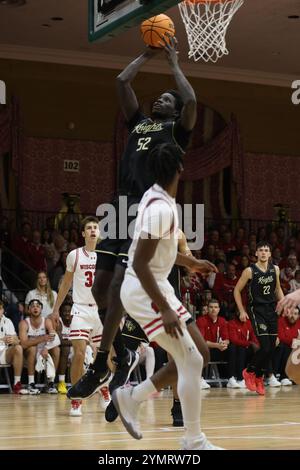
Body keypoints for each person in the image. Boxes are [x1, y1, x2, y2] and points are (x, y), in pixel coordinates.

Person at [68, 35, 197, 400]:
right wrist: (145, 53)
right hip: (119, 205)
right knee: (99, 289)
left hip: (145, 209)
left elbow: (191, 101)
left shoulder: (177, 131)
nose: (161, 99)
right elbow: (121, 82)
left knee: (120, 282)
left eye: (167, 99)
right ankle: (123, 350)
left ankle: (101, 363)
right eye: (160, 97)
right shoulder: (139, 123)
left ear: (174, 111)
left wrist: (173, 64)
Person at [111, 143, 222, 450]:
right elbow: (138, 263)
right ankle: (193, 440)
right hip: (144, 289)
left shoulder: (158, 196)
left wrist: (191, 262)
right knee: (192, 359)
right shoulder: (160, 209)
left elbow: (162, 251)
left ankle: (131, 398)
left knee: (199, 354)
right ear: (180, 170)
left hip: (158, 285)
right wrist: (165, 309)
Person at [51, 216, 106, 416]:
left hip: (101, 310)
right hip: (81, 309)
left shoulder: (106, 255)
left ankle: (104, 388)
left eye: (95, 227)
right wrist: (56, 309)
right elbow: (65, 284)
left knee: (106, 357)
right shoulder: (74, 255)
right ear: (83, 233)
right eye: (89, 228)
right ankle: (76, 398)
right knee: (79, 353)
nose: (92, 230)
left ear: (99, 233)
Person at [234, 242, 284, 395]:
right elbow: (236, 290)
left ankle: (259, 377)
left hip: (271, 311)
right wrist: (242, 310)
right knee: (265, 346)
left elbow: (277, 289)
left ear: (270, 254)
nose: (263, 253)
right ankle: (249, 372)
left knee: (271, 347)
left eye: (266, 250)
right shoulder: (249, 271)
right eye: (261, 250)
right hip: (256, 311)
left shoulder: (275, 269)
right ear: (256, 253)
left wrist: (284, 304)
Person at [19, 299, 60, 394]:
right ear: (28, 310)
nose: (35, 308)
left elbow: (55, 338)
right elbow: (24, 344)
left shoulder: (47, 321)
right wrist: (42, 338)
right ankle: (31, 383)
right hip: (28, 354)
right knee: (33, 348)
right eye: (32, 306)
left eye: (38, 306)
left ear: (41, 309)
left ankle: (51, 382)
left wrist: (46, 348)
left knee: (56, 350)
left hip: (44, 352)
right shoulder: (24, 323)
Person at [0, 300, 27, 394]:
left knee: (18, 348)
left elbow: (16, 338)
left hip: (4, 352)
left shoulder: (7, 321)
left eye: (0, 309)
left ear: (3, 310)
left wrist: (14, 340)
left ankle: (17, 384)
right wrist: (2, 340)